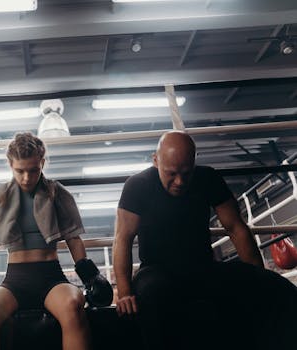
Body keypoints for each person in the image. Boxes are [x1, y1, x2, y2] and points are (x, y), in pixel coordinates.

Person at [112, 130, 297, 350]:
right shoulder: (138, 185)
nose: (179, 181)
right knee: (154, 296)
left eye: (186, 173)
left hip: (202, 268)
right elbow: (123, 238)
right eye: (171, 173)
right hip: (155, 270)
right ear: (156, 161)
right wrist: (124, 293)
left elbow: (236, 228)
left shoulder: (208, 178)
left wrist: (257, 274)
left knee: (277, 287)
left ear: (194, 162)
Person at [0, 131, 112, 350]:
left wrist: (91, 276)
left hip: (51, 277)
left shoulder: (57, 193)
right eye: (20, 171)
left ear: (42, 162)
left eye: (33, 170)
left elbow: (73, 239)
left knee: (73, 305)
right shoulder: (2, 196)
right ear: (10, 164)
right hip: (15, 279)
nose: (26, 178)